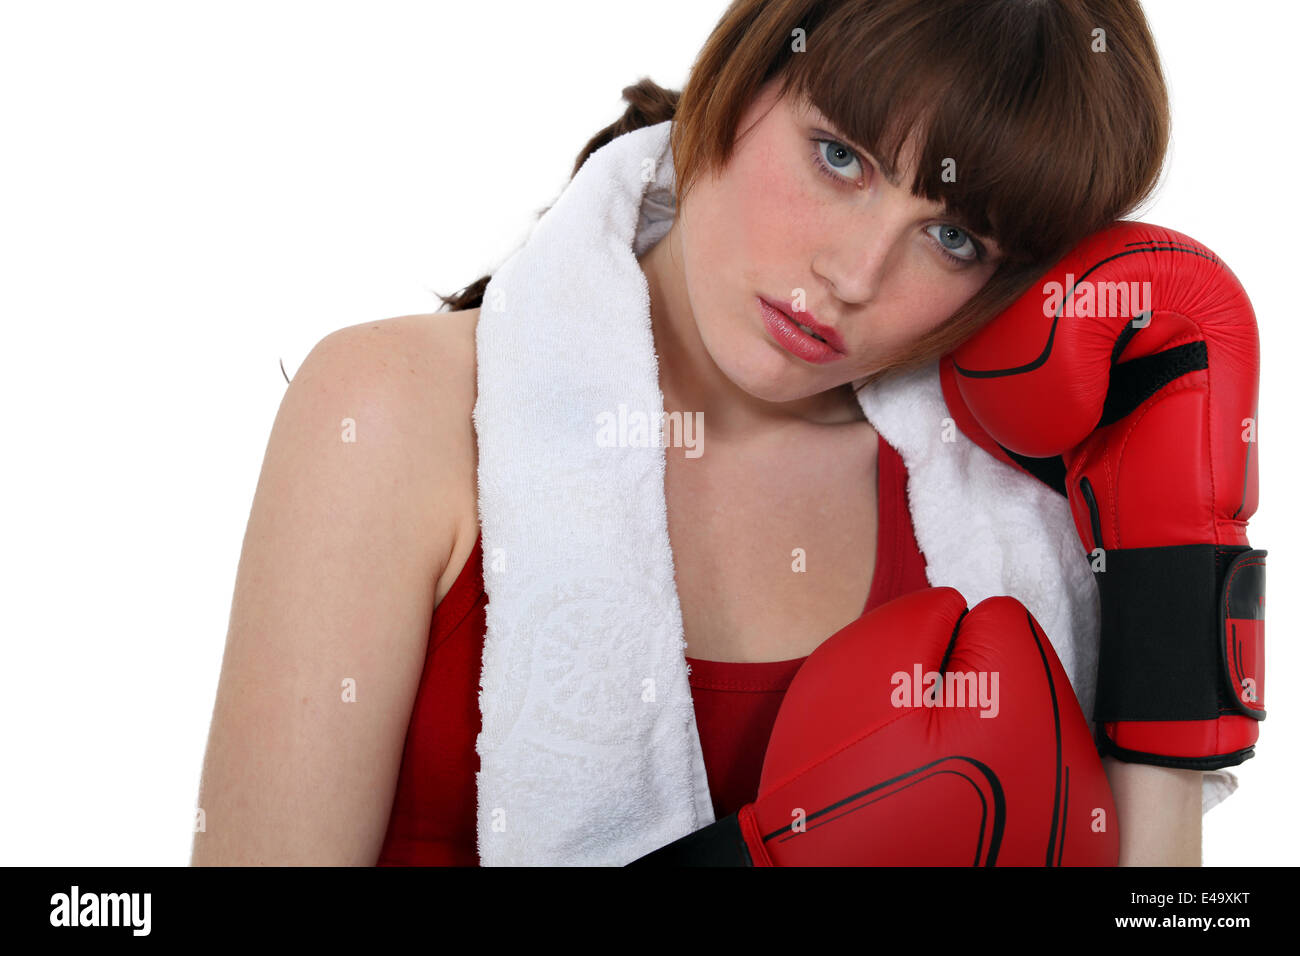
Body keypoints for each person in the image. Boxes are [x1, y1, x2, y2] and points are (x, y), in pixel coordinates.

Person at [191, 0, 1206, 866]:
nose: (854, 274)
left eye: (951, 236)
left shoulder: (1012, 513)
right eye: (838, 156)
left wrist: (1172, 572)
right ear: (742, 67)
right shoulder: (394, 409)